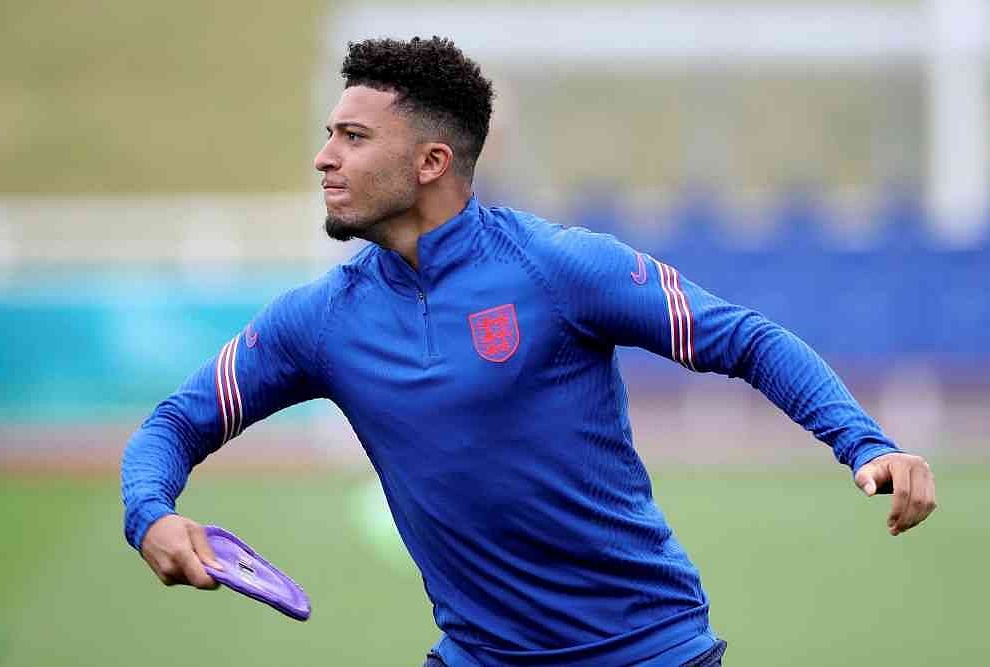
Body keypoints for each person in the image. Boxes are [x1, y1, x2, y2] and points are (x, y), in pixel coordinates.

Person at [121, 36, 937, 667]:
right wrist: (150, 513)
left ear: (431, 162)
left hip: (648, 652)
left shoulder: (557, 267)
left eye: (353, 136)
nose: (324, 156)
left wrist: (864, 441)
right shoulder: (319, 321)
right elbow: (177, 421)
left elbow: (745, 338)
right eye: (329, 133)